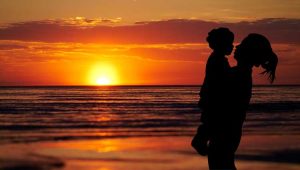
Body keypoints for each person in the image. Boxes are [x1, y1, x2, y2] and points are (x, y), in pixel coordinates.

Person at [207, 33, 278, 170]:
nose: (237, 46)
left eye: (242, 45)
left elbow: (222, 106)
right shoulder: (238, 74)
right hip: (230, 131)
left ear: (248, 52)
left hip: (226, 131)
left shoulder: (239, 76)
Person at [192, 27, 234, 156]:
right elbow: (220, 80)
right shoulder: (217, 60)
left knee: (211, 122)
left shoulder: (217, 58)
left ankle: (202, 141)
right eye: (229, 43)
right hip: (213, 98)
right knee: (212, 122)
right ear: (221, 44)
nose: (232, 47)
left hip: (210, 96)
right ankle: (200, 141)